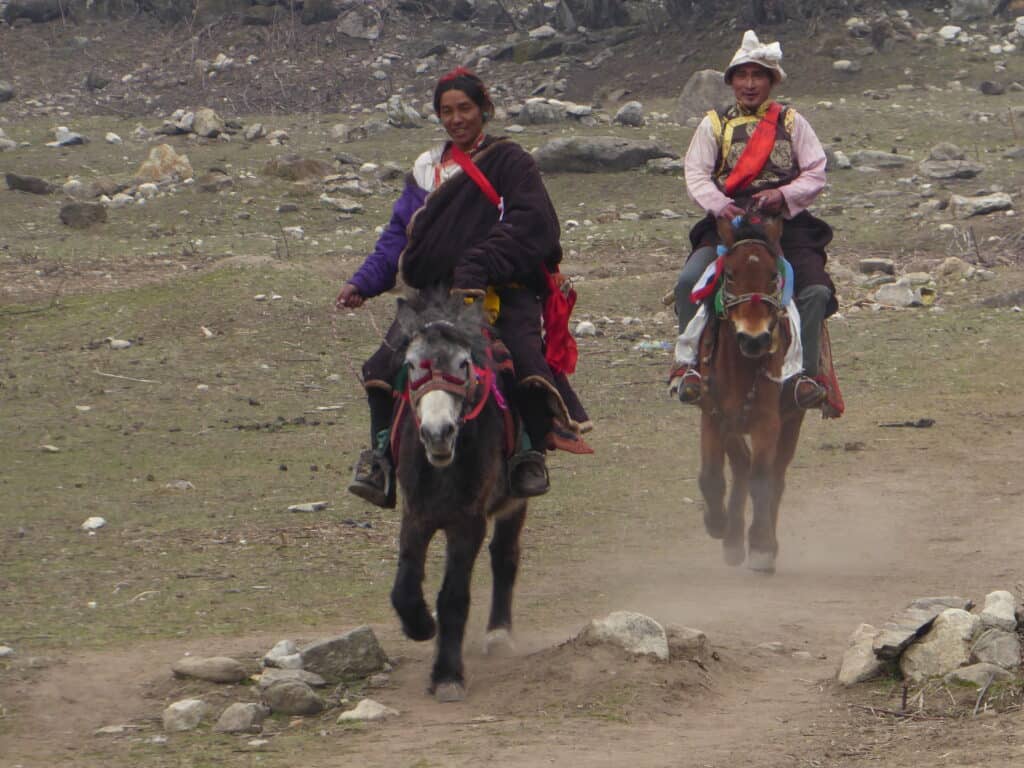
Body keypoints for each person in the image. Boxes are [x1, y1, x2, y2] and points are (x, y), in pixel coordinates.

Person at [337, 68, 591, 508]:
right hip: (436, 295)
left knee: (521, 362)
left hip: (502, 289)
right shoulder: (427, 168)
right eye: (446, 111)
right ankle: (380, 460)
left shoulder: (511, 162)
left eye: (465, 109)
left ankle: (526, 455)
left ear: (484, 110)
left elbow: (532, 225)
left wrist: (478, 265)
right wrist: (362, 281)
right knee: (382, 366)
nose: (456, 119)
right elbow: (400, 237)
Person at [670, 30, 838, 409]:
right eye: (742, 76)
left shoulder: (793, 122)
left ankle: (804, 378)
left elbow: (815, 170)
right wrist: (719, 204)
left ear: (771, 81)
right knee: (687, 282)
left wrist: (783, 194)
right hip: (729, 223)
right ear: (730, 82)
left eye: (758, 75)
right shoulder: (714, 125)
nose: (749, 84)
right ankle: (688, 368)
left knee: (815, 291)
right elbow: (695, 173)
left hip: (785, 225)